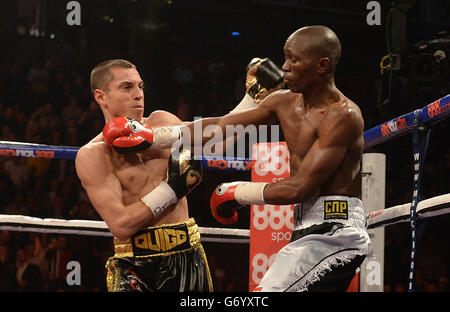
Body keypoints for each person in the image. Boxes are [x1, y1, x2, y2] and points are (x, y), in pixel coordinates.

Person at [117, 26, 371, 292]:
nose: (284, 67)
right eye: (285, 58)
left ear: (322, 65)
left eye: (294, 60)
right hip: (305, 226)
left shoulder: (342, 115)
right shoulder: (283, 102)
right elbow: (221, 126)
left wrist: (236, 192)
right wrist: (150, 136)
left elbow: (301, 187)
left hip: (337, 229)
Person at [75, 59, 212, 292]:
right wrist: (172, 189)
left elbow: (218, 139)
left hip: (187, 256)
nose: (138, 95)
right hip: (134, 264)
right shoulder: (94, 154)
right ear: (101, 96)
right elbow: (121, 225)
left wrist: (254, 101)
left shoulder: (163, 123)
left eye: (140, 86)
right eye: (127, 87)